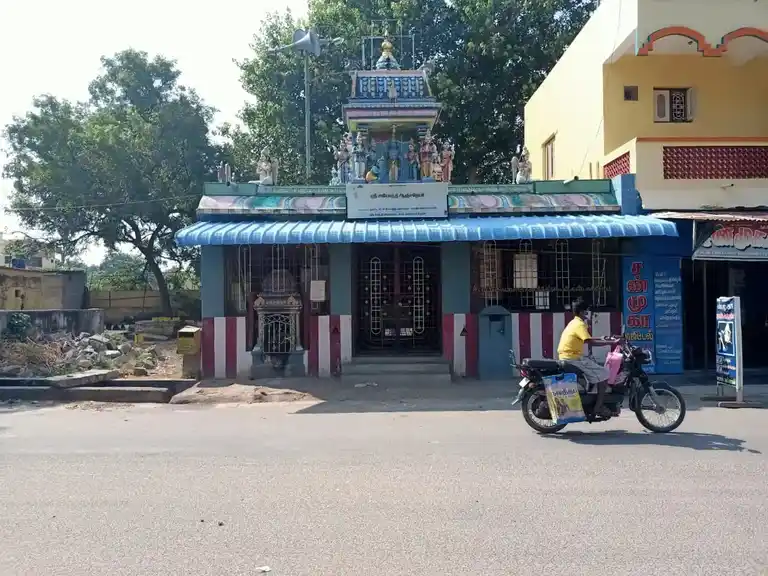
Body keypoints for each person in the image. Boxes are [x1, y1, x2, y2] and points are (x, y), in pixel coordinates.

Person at [557, 298, 620, 418]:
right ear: (581, 312)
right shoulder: (579, 324)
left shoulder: (573, 323)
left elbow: (587, 339)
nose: (587, 314)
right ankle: (598, 407)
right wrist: (611, 343)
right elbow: (589, 341)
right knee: (604, 374)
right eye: (586, 312)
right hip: (573, 358)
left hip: (570, 356)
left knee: (594, 365)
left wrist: (604, 339)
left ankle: (593, 398)